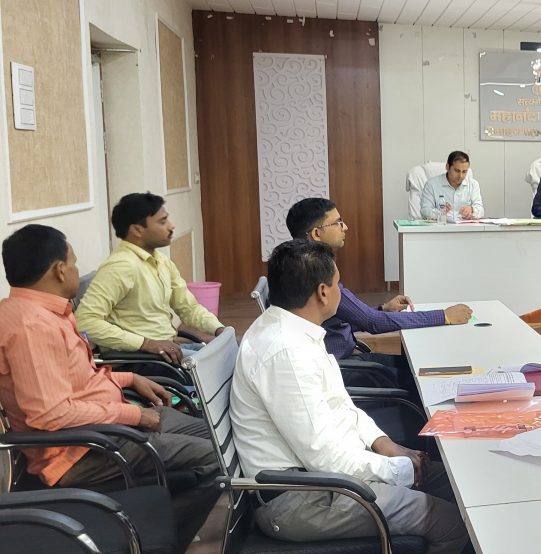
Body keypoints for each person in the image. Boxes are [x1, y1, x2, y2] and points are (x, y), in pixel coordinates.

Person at [231, 239, 468, 552]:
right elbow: (326, 460)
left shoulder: (296, 330)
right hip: (304, 497)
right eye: (337, 284)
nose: (340, 291)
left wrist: (385, 444)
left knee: (460, 487)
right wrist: (398, 469)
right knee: (453, 523)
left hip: (330, 477)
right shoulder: (285, 352)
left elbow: (341, 404)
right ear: (323, 292)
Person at [0, 224, 219, 545]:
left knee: (217, 435)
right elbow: (50, 415)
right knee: (217, 460)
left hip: (108, 423)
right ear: (59, 270)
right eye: (74, 263)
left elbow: (76, 381)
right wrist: (134, 415)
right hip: (83, 451)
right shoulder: (32, 327)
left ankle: (155, 527)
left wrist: (129, 378)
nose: (77, 270)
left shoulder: (42, 313)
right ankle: (153, 542)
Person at [287, 198, 472, 378]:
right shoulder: (314, 273)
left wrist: (383, 309)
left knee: (418, 365)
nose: (345, 227)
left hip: (344, 360)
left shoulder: (299, 263)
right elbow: (373, 322)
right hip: (341, 369)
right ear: (316, 233)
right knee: (423, 374)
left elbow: (341, 318)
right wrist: (444, 316)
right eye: (337, 223)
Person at [77, 192, 227, 365]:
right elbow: (85, 321)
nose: (171, 226)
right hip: (142, 360)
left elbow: (188, 307)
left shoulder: (161, 261)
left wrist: (218, 329)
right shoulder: (121, 266)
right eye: (162, 222)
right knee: (223, 366)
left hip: (169, 351)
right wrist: (146, 343)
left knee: (234, 357)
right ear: (137, 230)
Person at [419, 150, 484, 221]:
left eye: (464, 171)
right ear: (447, 167)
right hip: (441, 226)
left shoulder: (473, 184)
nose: (460, 176)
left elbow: (481, 210)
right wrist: (440, 212)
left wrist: (472, 209)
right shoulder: (431, 184)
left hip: (465, 226)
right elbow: (424, 211)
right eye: (457, 171)